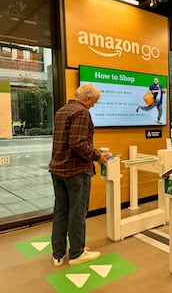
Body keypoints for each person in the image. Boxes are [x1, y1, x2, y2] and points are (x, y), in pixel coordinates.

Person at [49, 83, 109, 267]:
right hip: (75, 171)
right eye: (94, 102)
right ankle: (76, 253)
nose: (94, 105)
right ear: (87, 98)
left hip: (58, 169)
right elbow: (78, 143)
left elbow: (69, 141)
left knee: (61, 211)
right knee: (77, 212)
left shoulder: (62, 110)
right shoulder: (82, 112)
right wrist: (98, 156)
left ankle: (58, 255)